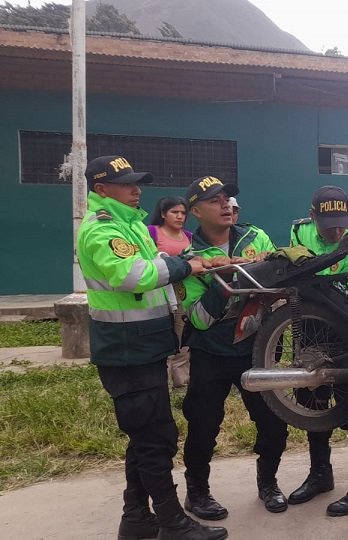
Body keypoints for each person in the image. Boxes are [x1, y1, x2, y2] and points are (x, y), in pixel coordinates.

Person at [76, 155, 226, 540]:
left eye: (137, 183)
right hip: (126, 352)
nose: (136, 190)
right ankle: (172, 522)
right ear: (101, 189)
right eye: (127, 184)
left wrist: (198, 260)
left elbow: (157, 258)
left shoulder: (131, 226)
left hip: (143, 349)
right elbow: (133, 274)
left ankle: (136, 519)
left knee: (145, 437)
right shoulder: (102, 230)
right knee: (156, 439)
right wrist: (184, 268)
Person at [180, 176, 290, 519]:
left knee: (274, 422)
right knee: (203, 425)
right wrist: (229, 278)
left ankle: (268, 483)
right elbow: (197, 320)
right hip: (210, 353)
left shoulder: (256, 237)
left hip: (256, 349)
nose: (225, 204)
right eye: (214, 200)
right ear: (195, 211)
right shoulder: (191, 258)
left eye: (227, 198)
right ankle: (197, 492)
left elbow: (278, 280)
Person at [285, 185, 348, 516]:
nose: (336, 231)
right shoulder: (299, 230)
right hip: (308, 331)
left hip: (346, 334)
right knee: (312, 405)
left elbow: (343, 298)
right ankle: (320, 475)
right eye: (328, 224)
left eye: (341, 222)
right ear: (313, 216)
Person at [147, 196, 194, 388]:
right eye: (175, 212)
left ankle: (182, 381)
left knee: (182, 334)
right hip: (158, 292)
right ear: (163, 213)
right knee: (162, 334)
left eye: (183, 213)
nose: (180, 216)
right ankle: (160, 381)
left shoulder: (190, 237)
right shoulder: (151, 232)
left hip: (183, 292)